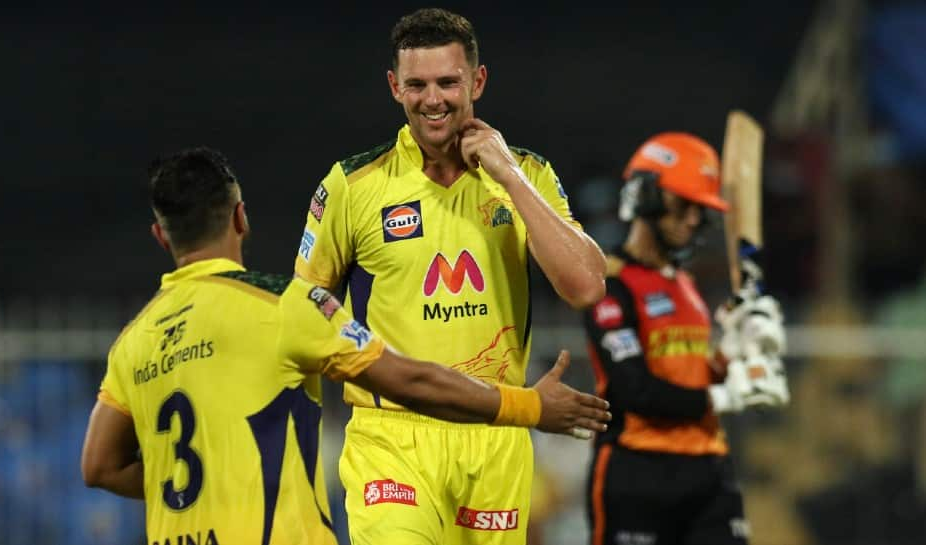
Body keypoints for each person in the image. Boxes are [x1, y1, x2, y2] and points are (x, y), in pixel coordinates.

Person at [79, 147, 611, 545]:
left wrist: (208, 483)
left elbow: (99, 468)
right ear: (242, 217)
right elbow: (409, 380)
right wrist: (530, 405)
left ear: (159, 235)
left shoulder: (134, 340)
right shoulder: (283, 306)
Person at [293, 7, 608, 544]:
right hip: (389, 437)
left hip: (496, 435)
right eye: (416, 84)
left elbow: (586, 287)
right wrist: (358, 357)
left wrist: (506, 174)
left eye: (447, 82)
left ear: (477, 81)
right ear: (394, 87)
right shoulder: (353, 184)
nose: (432, 99)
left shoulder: (527, 174)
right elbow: (305, 301)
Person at [582, 132, 789, 545]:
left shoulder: (687, 287)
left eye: (700, 209)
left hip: (709, 470)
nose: (694, 219)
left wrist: (740, 353)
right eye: (684, 204)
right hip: (638, 472)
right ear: (647, 196)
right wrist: (726, 396)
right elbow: (632, 389)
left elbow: (693, 373)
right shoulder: (608, 284)